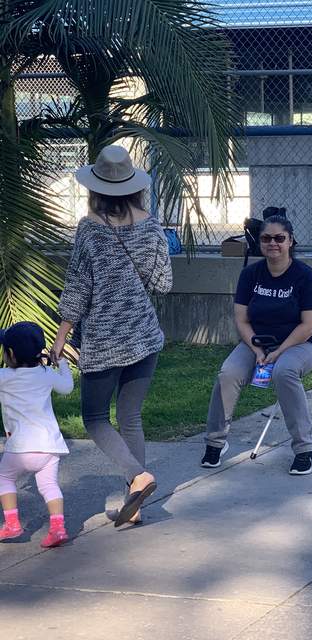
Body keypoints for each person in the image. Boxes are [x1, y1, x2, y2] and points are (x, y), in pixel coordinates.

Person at [52, 145, 173, 528]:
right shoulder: (152, 226)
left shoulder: (90, 228)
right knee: (130, 416)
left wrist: (61, 336)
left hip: (104, 339)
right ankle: (133, 506)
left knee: (94, 418)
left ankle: (138, 479)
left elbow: (77, 287)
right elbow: (163, 284)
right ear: (133, 186)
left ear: (97, 188)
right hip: (144, 336)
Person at [201, 214, 312, 475]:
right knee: (228, 373)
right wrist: (257, 350)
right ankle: (215, 442)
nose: (273, 243)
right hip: (256, 343)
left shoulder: (305, 276)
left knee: (284, 371)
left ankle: (304, 449)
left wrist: (279, 352)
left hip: (300, 345)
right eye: (266, 238)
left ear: (290, 241)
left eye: (280, 238)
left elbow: (309, 324)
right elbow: (241, 319)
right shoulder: (250, 274)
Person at [0, 322, 74, 547]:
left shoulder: (3, 376)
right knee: (49, 486)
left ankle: (12, 524)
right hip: (49, 447)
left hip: (20, 448)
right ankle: (58, 528)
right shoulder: (46, 374)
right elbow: (67, 388)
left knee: (4, 479)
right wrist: (61, 363)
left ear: (10, 353)